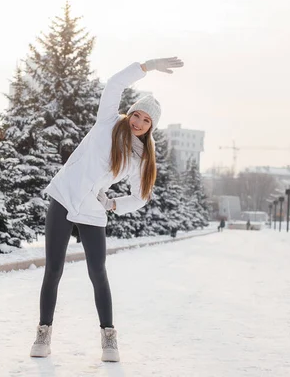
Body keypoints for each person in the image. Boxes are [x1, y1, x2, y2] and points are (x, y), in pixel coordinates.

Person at [30, 57, 184, 362]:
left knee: (98, 271)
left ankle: (109, 337)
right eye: (136, 114)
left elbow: (140, 196)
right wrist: (147, 66)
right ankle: (43, 333)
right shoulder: (108, 122)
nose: (138, 122)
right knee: (54, 268)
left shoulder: (140, 156)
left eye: (145, 121)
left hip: (91, 208)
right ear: (130, 113)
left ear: (151, 126)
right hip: (64, 195)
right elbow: (115, 83)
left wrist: (112, 204)